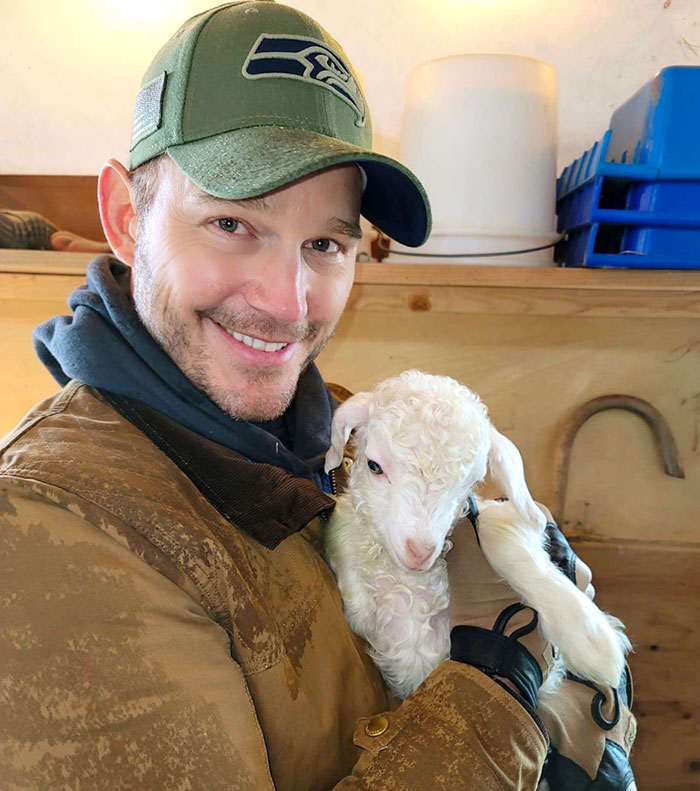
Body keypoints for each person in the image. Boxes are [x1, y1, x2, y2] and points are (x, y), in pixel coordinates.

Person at [0, 2, 637, 788]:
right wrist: (498, 686)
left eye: (325, 243)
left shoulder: (342, 435)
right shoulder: (45, 533)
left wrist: (572, 635)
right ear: (128, 220)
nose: (287, 302)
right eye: (232, 223)